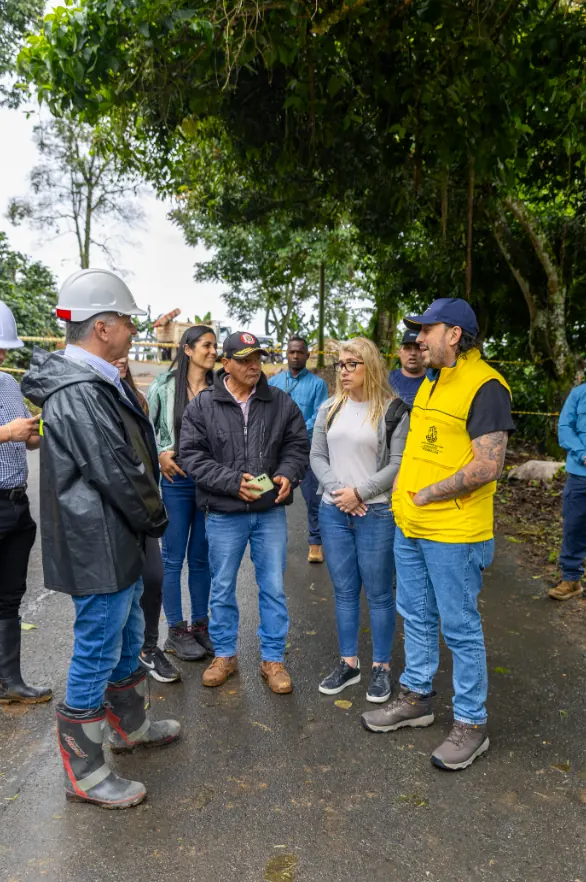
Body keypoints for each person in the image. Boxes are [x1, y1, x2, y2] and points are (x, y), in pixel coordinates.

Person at [22, 269, 180, 809]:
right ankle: (85, 772)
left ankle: (128, 726)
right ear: (104, 326)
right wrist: (156, 519)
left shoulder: (96, 379)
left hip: (116, 536)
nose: (134, 329)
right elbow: (117, 469)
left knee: (128, 627)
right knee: (97, 647)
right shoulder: (78, 389)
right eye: (128, 321)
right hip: (100, 540)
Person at [362, 298, 514, 772]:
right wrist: (409, 503)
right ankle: (417, 697)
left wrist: (428, 494)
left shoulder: (486, 385)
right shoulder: (431, 380)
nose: (418, 339)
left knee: (460, 626)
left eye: (427, 330)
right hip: (413, 526)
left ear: (454, 334)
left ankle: (471, 722)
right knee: (417, 615)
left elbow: (489, 465)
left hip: (454, 530)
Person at [180, 331, 309, 694]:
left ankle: (272, 659)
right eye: (246, 359)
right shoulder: (202, 405)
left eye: (259, 358)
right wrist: (232, 482)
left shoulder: (280, 402)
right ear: (227, 363)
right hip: (224, 512)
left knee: (272, 587)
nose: (255, 366)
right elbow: (191, 456)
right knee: (221, 587)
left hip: (269, 513)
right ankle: (225, 655)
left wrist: (287, 473)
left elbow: (298, 445)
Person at [310, 338, 409, 703]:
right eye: (340, 364)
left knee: (380, 593)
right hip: (333, 509)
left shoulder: (393, 410)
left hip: (376, 512)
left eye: (352, 364)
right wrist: (341, 493)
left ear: (371, 366)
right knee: (345, 591)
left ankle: (381, 668)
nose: (344, 371)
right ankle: (348, 663)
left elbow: (398, 464)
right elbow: (317, 456)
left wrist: (360, 493)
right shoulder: (329, 408)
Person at [146, 325, 216, 660]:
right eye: (206, 345)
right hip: (175, 481)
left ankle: (200, 626)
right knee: (172, 558)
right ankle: (176, 630)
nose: (213, 351)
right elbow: (145, 434)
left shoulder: (221, 389)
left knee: (202, 558)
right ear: (187, 349)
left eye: (215, 345)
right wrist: (160, 454)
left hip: (211, 484)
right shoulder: (164, 386)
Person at [111, 356, 180, 683]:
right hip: (110, 511)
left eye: (125, 352)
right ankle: (122, 658)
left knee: (153, 578)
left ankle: (148, 648)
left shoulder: (137, 397)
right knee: (117, 590)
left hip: (143, 505)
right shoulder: (94, 397)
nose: (121, 358)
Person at [0, 301, 52, 704]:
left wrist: (36, 432)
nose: (3, 354)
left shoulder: (8, 383)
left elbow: (26, 437)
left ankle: (9, 682)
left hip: (17, 503)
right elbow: (8, 433)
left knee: (10, 595)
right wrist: (6, 432)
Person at [269, 336, 328, 563]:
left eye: (300, 353)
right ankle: (274, 545)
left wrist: (294, 432)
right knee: (273, 496)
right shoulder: (274, 382)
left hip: (307, 451)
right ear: (287, 353)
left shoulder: (317, 385)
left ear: (307, 355)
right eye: (292, 352)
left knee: (313, 499)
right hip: (276, 451)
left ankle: (315, 543)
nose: (295, 356)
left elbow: (319, 416)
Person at [549, 384, 586, 601]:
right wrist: (583, 454)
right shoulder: (579, 393)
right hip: (580, 474)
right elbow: (565, 427)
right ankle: (571, 580)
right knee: (574, 526)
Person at [388, 328, 426, 405]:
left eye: (418, 348)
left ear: (425, 351)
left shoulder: (435, 380)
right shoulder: (386, 380)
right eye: (408, 348)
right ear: (399, 352)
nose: (413, 353)